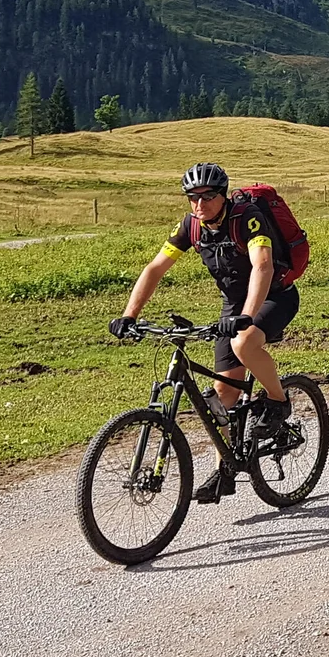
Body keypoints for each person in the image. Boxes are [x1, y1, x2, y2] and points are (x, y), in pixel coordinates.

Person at [110, 162, 298, 502]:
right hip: (234, 307)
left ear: (222, 196)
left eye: (208, 196)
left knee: (244, 343)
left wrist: (247, 315)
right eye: (192, 197)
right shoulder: (191, 227)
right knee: (222, 393)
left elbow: (263, 265)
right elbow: (155, 268)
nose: (200, 204)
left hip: (274, 295)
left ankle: (277, 401)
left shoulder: (247, 217)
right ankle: (224, 470)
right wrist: (129, 315)